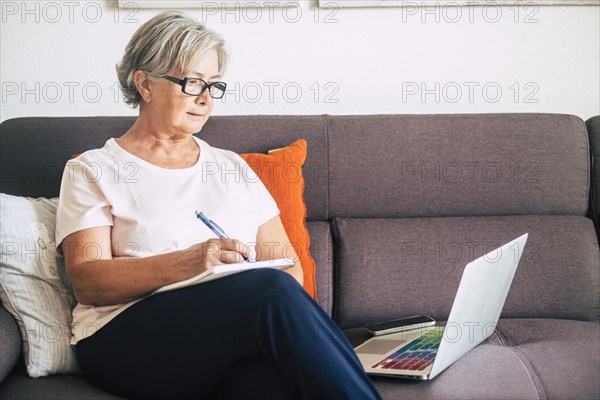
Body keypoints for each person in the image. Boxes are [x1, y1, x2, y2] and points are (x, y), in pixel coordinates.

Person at [56, 10, 381, 400]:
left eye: (213, 85)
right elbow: (89, 281)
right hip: (122, 339)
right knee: (268, 290)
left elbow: (288, 269)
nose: (206, 99)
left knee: (273, 385)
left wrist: (241, 291)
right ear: (144, 83)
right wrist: (191, 263)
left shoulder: (233, 169)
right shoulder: (93, 168)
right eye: (193, 83)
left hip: (225, 340)